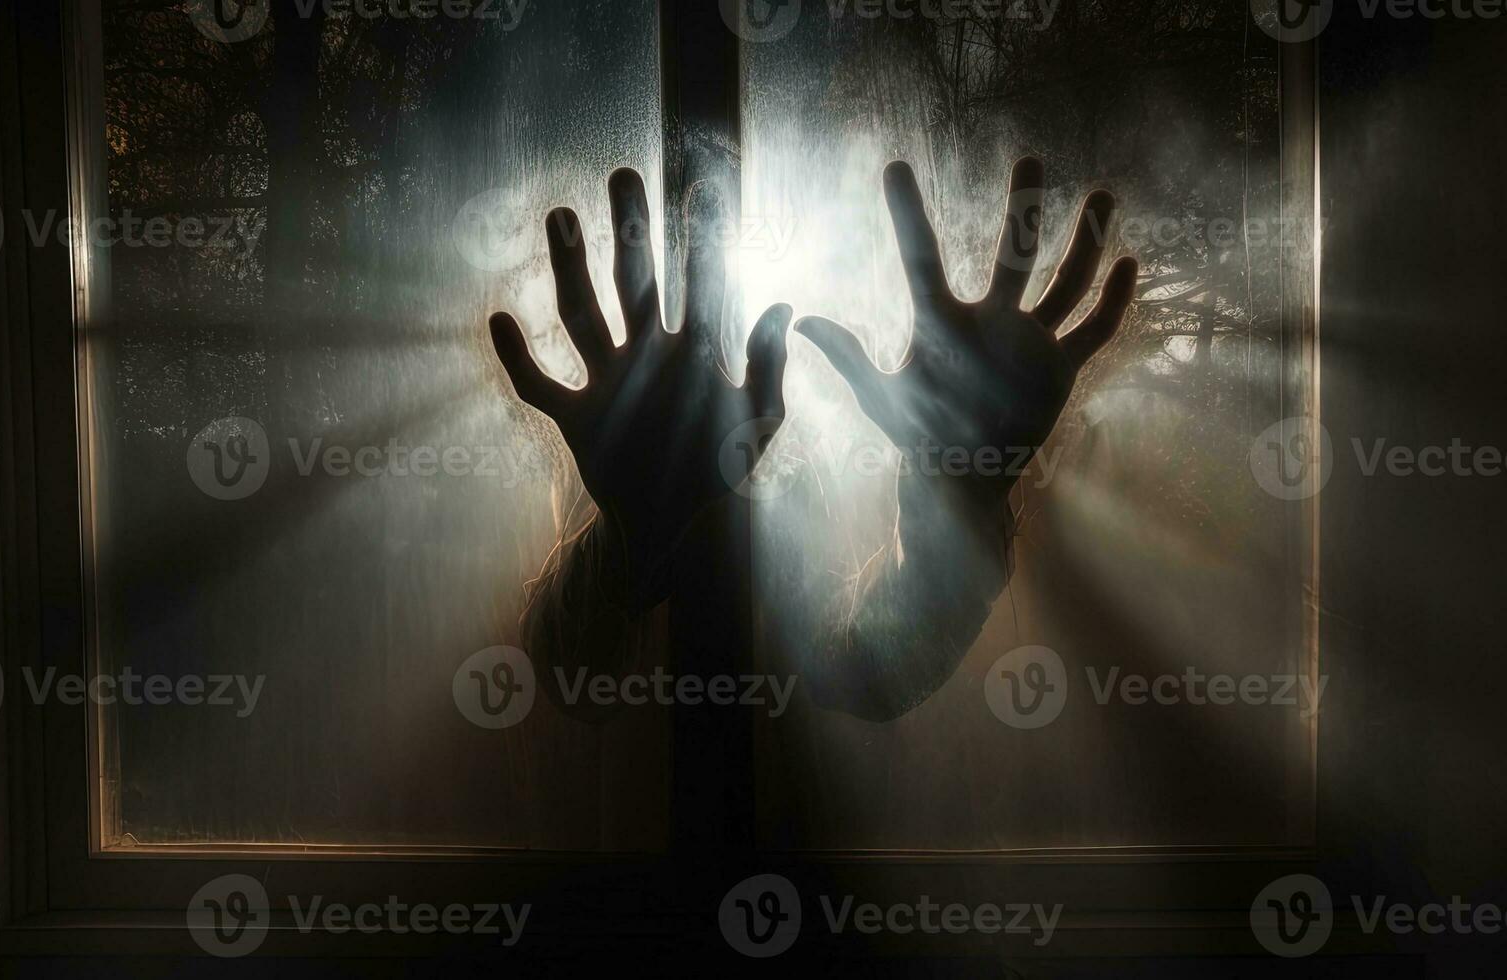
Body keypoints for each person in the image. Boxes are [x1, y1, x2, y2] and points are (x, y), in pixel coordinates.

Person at [487, 158, 1139, 721]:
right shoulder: (610, 474)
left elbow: (874, 680)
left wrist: (961, 488)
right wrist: (627, 544)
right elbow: (568, 672)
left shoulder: (809, 499)